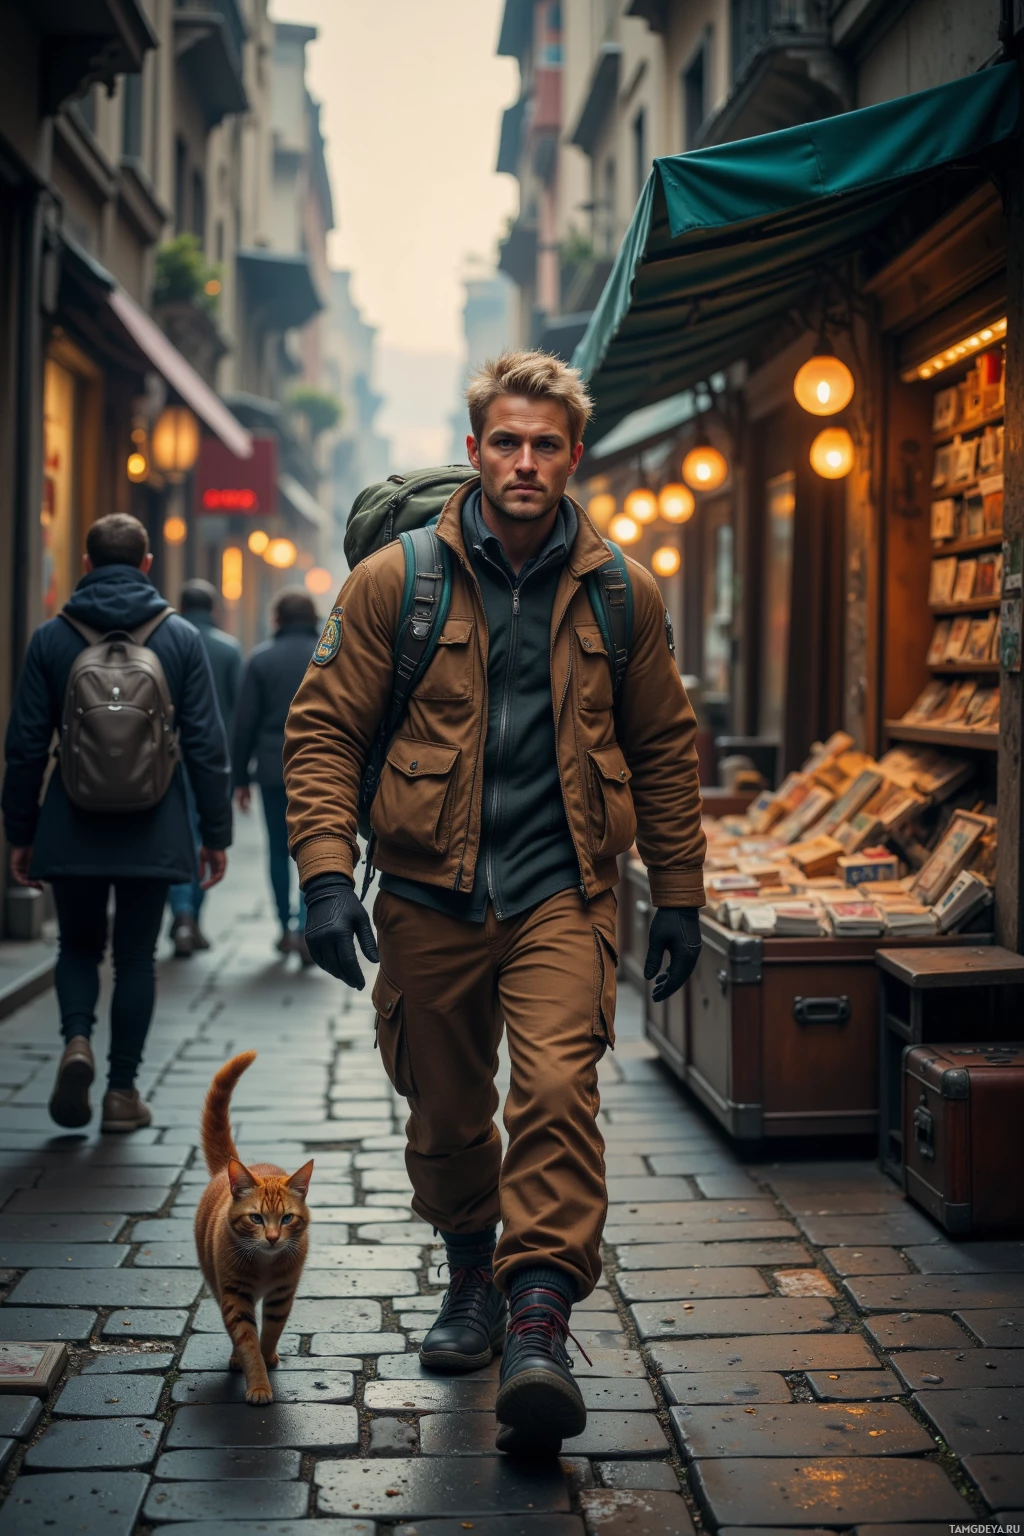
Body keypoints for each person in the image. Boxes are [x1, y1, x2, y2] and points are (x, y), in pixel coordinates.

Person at [283, 350, 706, 1454]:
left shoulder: (620, 590)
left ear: (574, 456)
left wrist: (679, 892)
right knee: (444, 1103)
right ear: (475, 450)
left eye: (545, 444)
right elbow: (323, 732)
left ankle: (537, 1321)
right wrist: (325, 876)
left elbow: (664, 746)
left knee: (559, 1087)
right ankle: (470, 1268)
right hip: (429, 890)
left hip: (564, 887)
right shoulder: (398, 581)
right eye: (506, 442)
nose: (525, 461)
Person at [2, 513, 232, 1132]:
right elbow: (207, 746)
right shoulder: (179, 637)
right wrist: (215, 836)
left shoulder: (52, 638)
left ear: (86, 564)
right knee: (135, 957)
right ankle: (122, 1092)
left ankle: (77, 1039)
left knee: (76, 945)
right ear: (147, 564)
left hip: (71, 820)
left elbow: (24, 746)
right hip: (153, 825)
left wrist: (21, 832)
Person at [233, 587, 320, 959]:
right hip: (319, 768)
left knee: (277, 848)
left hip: (273, 768)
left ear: (277, 619)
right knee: (314, 845)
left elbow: (244, 724)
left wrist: (240, 778)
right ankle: (306, 926)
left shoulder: (261, 659)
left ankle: (284, 926)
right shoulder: (328, 654)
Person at [168, 579, 242, 957]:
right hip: (214, 759)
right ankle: (192, 916)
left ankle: (181, 913)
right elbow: (238, 711)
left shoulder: (165, 643)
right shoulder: (228, 650)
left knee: (176, 835)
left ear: (180, 607)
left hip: (168, 758)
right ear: (213, 609)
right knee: (206, 837)